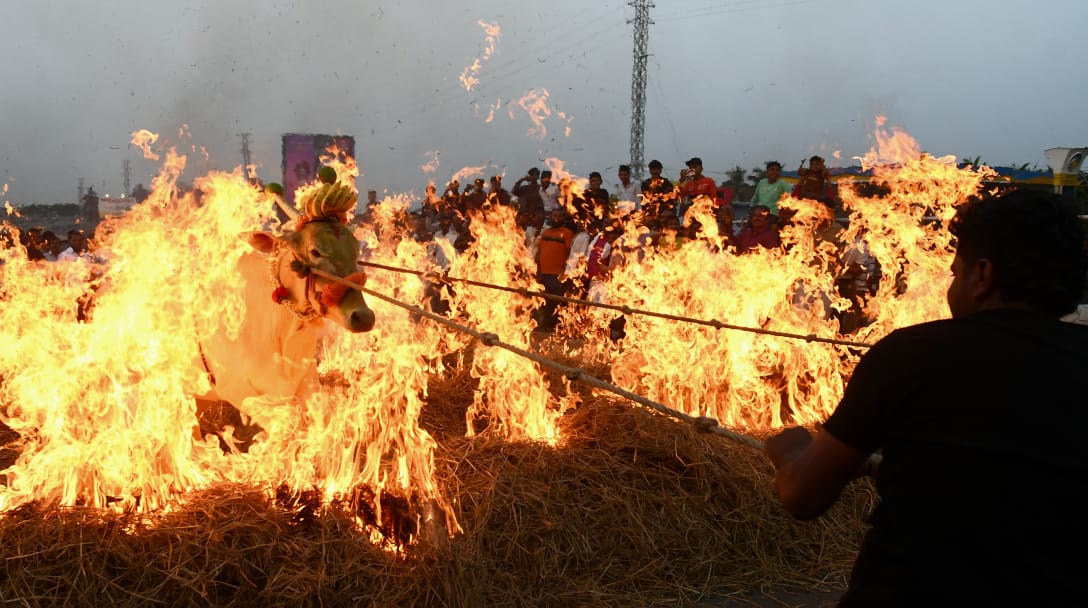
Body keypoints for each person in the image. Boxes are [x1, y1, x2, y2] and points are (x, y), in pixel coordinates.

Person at [764, 188, 1088, 607]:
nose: (952, 284)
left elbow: (802, 496)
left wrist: (789, 451)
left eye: (956, 272)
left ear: (983, 276)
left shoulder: (911, 356)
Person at [640, 159, 675, 227]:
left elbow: (671, 199)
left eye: (657, 169)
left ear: (660, 170)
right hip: (650, 214)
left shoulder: (666, 183)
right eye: (653, 169)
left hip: (664, 214)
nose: (655, 172)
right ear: (650, 170)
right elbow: (643, 200)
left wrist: (666, 212)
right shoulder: (645, 184)